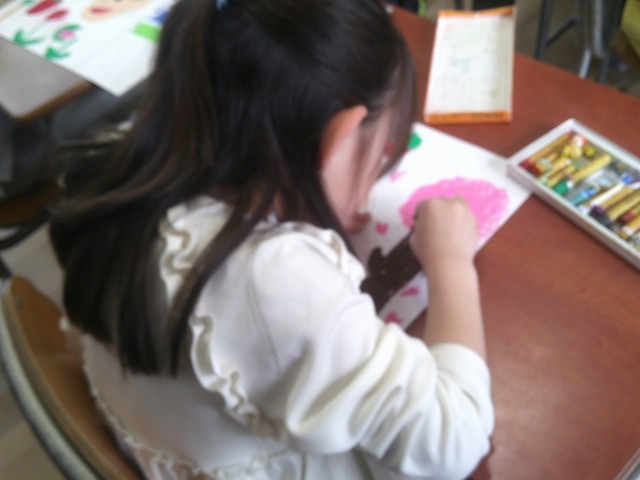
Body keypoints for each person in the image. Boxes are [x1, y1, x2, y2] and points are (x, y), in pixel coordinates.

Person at [49, 0, 494, 478]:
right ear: (339, 137)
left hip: (154, 428)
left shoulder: (125, 162)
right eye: (379, 151)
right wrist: (451, 264)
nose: (378, 170)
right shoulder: (270, 279)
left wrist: (321, 189)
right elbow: (455, 440)